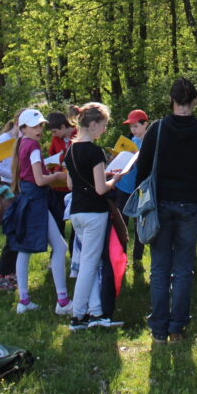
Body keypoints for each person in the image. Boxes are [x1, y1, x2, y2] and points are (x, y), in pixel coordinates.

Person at [134, 77, 197, 343]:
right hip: (190, 204)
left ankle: (159, 329)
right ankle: (177, 327)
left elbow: (142, 169)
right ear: (195, 101)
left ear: (171, 100)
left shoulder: (157, 129)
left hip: (160, 203)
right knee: (183, 268)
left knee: (160, 267)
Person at [2, 108, 72, 315]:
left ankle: (24, 300)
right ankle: (62, 301)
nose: (39, 129)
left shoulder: (22, 143)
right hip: (35, 202)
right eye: (34, 126)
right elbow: (40, 180)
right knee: (59, 247)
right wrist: (58, 176)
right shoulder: (32, 146)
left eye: (40, 125)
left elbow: (32, 175)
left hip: (27, 199)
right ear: (23, 128)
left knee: (24, 249)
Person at [64, 102, 124, 331]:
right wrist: (115, 179)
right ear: (92, 125)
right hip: (94, 213)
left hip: (77, 211)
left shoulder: (70, 150)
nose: (105, 129)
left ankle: (96, 312)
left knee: (90, 261)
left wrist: (102, 176)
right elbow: (100, 188)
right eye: (103, 125)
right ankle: (78, 315)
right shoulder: (94, 151)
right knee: (89, 265)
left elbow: (71, 184)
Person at [114, 108, 149, 272]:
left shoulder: (149, 142)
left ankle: (137, 260)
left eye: (136, 126)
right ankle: (120, 258)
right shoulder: (129, 141)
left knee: (139, 225)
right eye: (131, 126)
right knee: (121, 224)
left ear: (145, 124)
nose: (133, 129)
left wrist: (138, 155)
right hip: (123, 187)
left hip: (139, 189)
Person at [0, 112, 20, 290]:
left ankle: (10, 273)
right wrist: (18, 176)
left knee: (18, 233)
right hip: (8, 189)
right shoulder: (5, 139)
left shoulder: (19, 139)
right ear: (17, 123)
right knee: (12, 234)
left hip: (17, 188)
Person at [45, 110, 76, 238]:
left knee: (76, 220)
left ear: (63, 127)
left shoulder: (79, 136)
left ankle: (74, 247)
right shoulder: (56, 139)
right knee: (58, 218)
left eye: (54, 131)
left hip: (73, 185)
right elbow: (51, 156)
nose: (53, 135)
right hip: (58, 185)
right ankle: (58, 246)